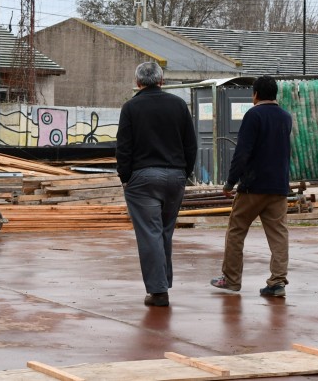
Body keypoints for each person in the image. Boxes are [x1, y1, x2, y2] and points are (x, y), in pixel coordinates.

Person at [116, 61, 198, 307]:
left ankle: (159, 291)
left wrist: (125, 177)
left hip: (143, 178)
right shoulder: (179, 105)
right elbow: (190, 144)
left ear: (138, 82)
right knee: (164, 231)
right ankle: (163, 283)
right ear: (162, 81)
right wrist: (185, 172)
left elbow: (124, 147)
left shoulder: (130, 107)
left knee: (150, 233)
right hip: (175, 176)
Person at [210, 75, 292, 297]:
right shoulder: (286, 117)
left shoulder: (253, 115)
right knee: (278, 235)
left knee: (237, 231)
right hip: (278, 187)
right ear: (275, 94)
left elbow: (242, 152)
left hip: (253, 186)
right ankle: (277, 282)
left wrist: (230, 182)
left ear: (255, 94)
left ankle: (231, 279)